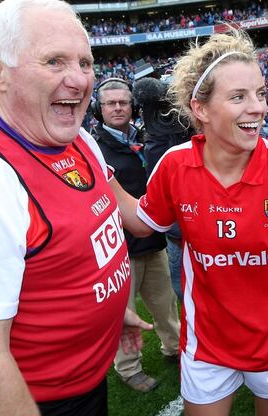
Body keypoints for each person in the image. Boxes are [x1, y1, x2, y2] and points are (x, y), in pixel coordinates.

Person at [0, 1, 151, 416]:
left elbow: (121, 219)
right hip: (36, 402)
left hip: (88, 376)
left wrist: (109, 308)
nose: (81, 79)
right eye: (54, 61)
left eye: (85, 62)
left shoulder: (78, 137)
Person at [112, 29, 268, 416]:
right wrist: (98, 170)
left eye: (261, 93)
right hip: (205, 346)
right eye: (238, 97)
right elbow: (143, 222)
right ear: (201, 109)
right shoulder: (174, 166)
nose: (258, 108)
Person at [91, 78, 181, 392]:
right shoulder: (94, 148)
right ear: (98, 109)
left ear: (133, 106)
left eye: (123, 102)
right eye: (110, 103)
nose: (117, 107)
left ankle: (174, 348)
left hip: (154, 243)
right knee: (122, 314)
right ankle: (129, 369)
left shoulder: (149, 136)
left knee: (165, 307)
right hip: (118, 251)